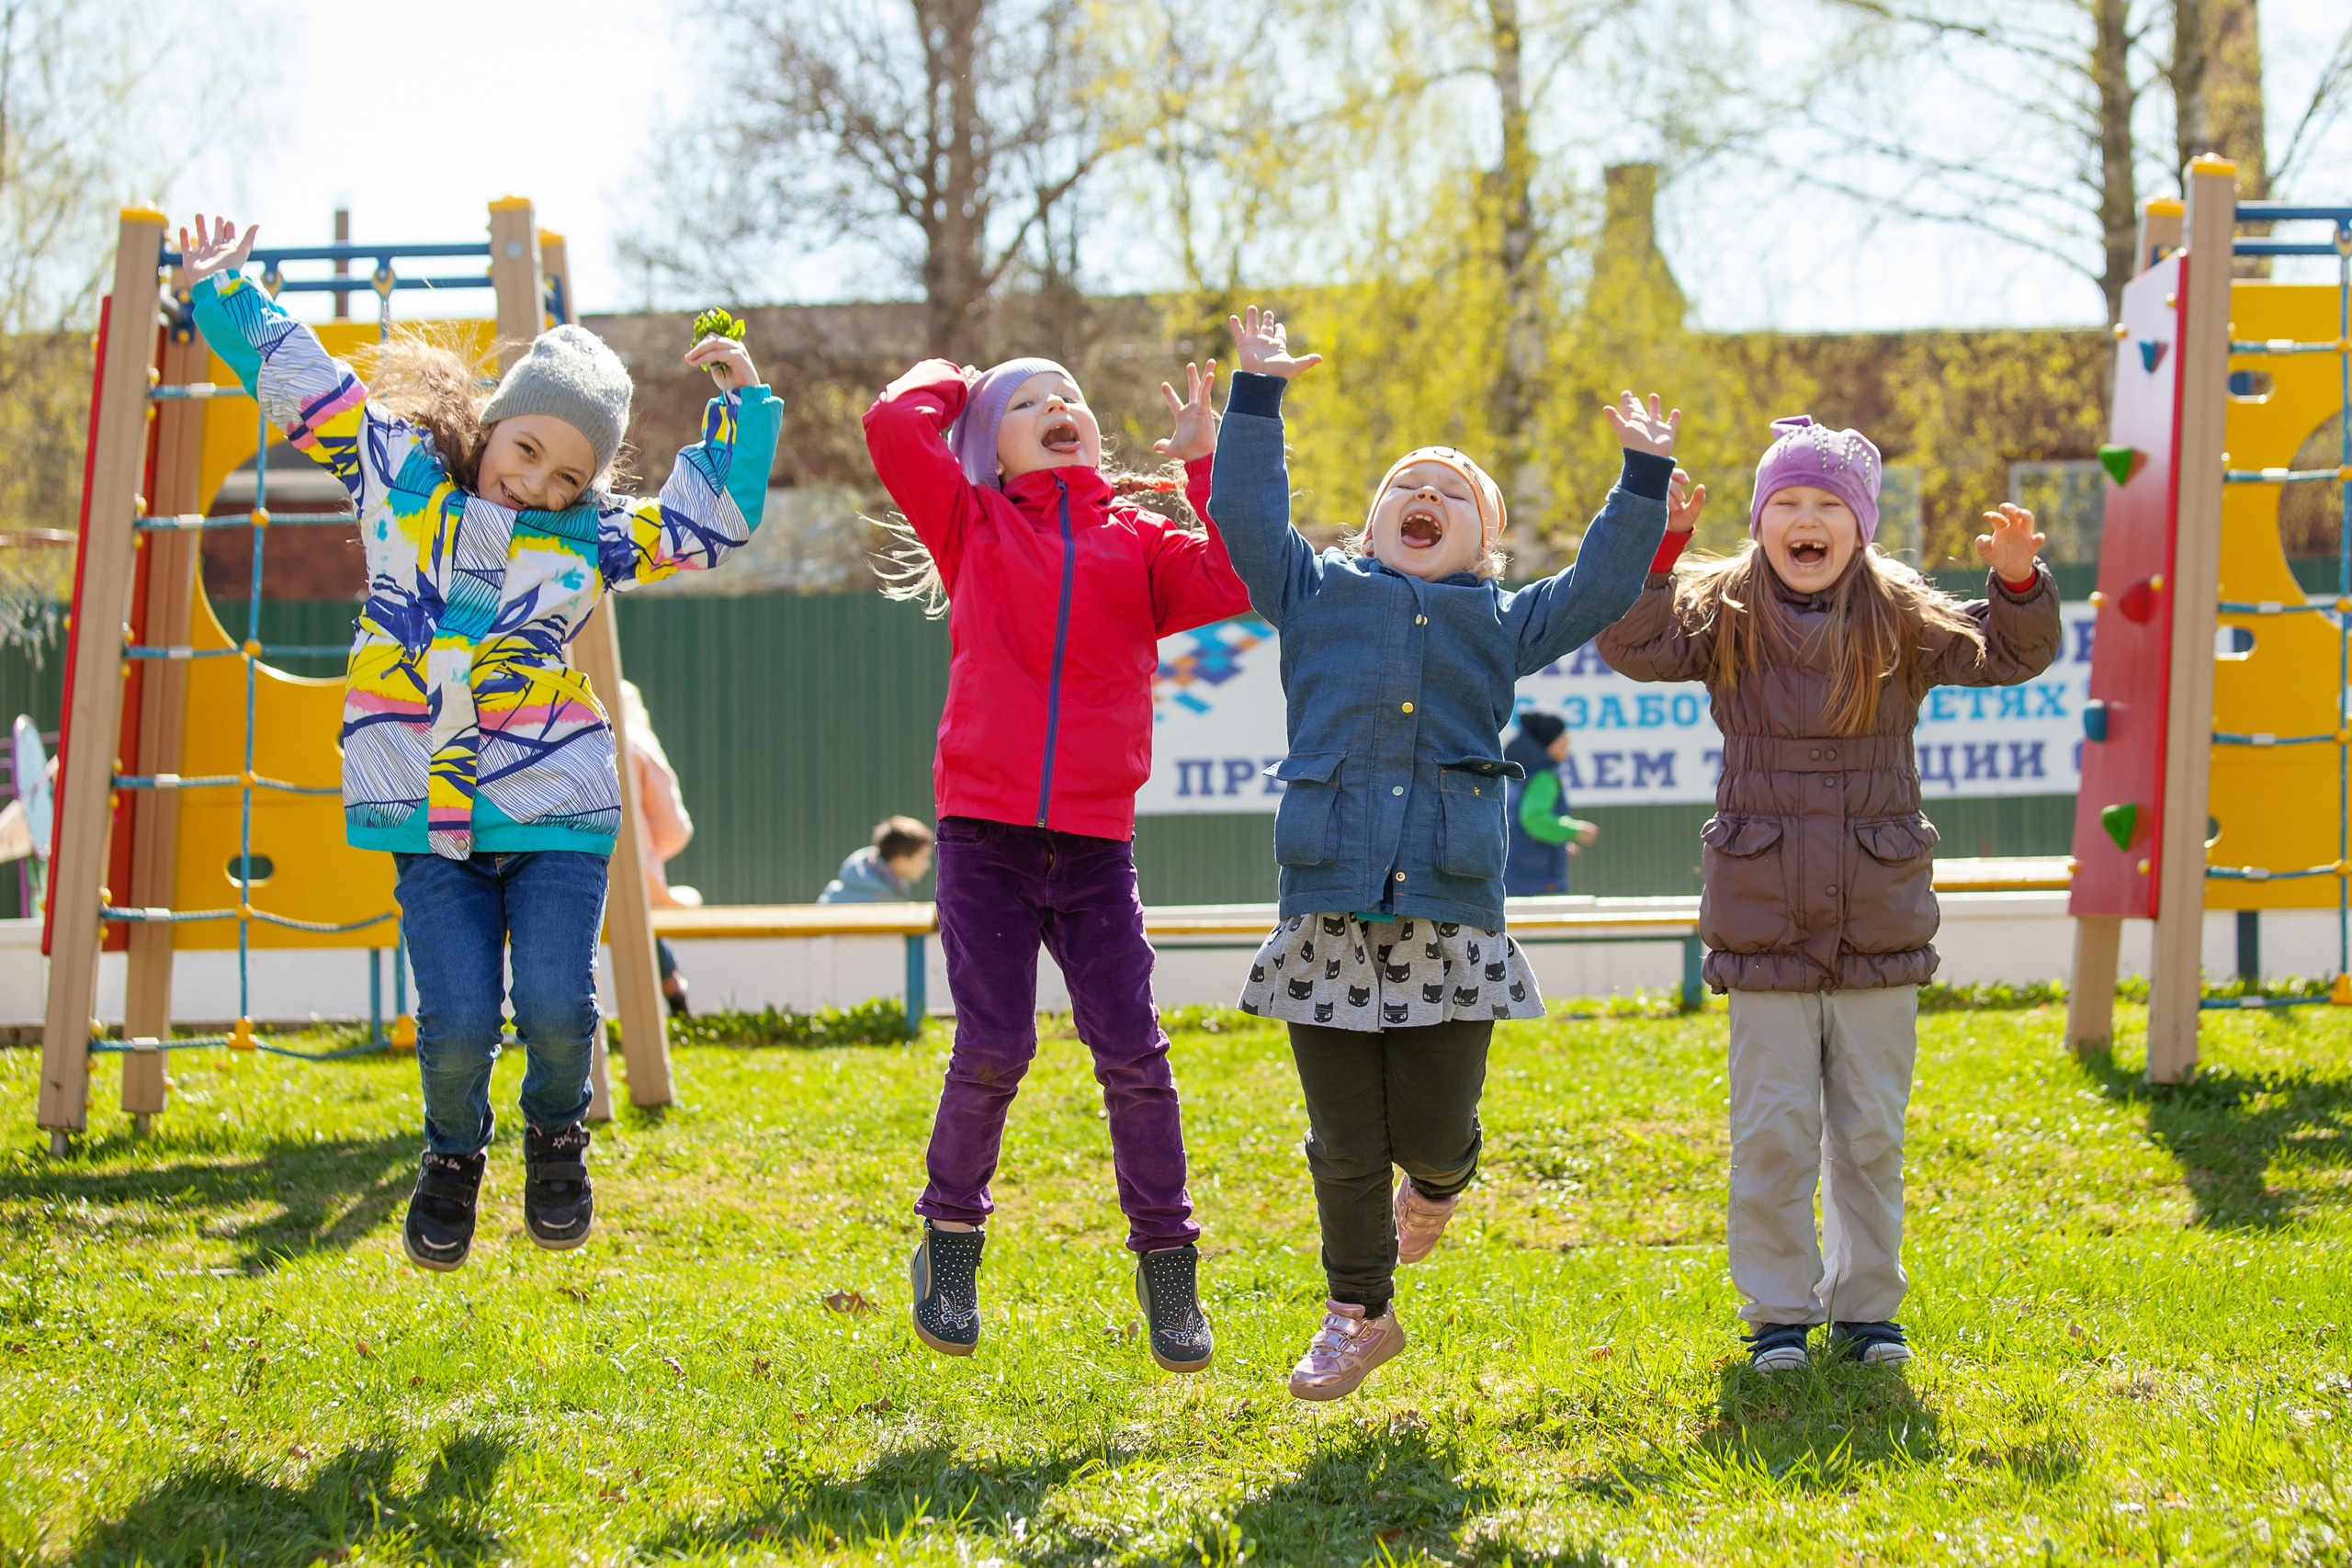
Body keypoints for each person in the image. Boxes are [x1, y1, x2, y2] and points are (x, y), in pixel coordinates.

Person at [179, 215, 779, 1273]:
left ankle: (556, 1132)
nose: (540, 483)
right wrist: (229, 296)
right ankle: (453, 1153)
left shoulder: (588, 537)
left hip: (551, 803)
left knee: (555, 1008)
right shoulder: (397, 476)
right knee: (456, 1019)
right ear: (493, 428)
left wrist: (740, 400)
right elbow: (307, 388)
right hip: (425, 808)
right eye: (529, 451)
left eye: (569, 474)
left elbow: (710, 522)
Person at [1208, 306, 1690, 1401]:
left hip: (1451, 914)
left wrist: (1641, 478)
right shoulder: (1313, 593)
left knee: (1426, 1128)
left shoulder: (1502, 623)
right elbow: (1242, 516)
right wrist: (1257, 398)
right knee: (1340, 1139)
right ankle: (1355, 1311)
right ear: (1369, 523)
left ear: (1489, 541)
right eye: (1403, 489)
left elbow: (1601, 589)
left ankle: (1441, 1179)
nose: (1424, 499)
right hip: (1328, 904)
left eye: (1454, 494)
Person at [1598, 415, 2058, 1371]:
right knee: (1771, 1131)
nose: (1805, 521)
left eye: (1826, 506)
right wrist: (1662, 549)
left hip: (1876, 911)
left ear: (1859, 525)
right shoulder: (1722, 611)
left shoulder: (1900, 615)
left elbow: (2009, 655)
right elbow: (1632, 644)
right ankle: (1776, 1315)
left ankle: (1866, 1314)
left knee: (1870, 1133)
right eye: (1787, 505)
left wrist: (2015, 584)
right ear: (1762, 521)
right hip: (1763, 910)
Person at [864, 350, 1251, 1372]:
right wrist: (961, 374)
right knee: (994, 1046)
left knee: (1133, 1052)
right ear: (989, 441)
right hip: (983, 836)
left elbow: (1236, 572)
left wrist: (1205, 463)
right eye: (1027, 403)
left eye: (1068, 397)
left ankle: (1170, 1273)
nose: (1058, 407)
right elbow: (892, 425)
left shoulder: (1142, 543)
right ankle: (949, 1246)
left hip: (1093, 842)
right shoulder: (972, 525)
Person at [620, 680, 700, 1017]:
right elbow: (673, 829)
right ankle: (675, 992)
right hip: (635, 879)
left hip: (561, 867)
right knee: (643, 911)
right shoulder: (636, 742)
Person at [1502, 712, 1598, 897]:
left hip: (1515, 875)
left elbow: (1517, 826)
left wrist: (1559, 849)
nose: (1568, 740)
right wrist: (1574, 830)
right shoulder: (1544, 777)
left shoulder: (1520, 775)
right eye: (1563, 737)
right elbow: (1534, 819)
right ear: (1549, 742)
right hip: (1536, 882)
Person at [818, 816, 935, 903]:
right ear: (899, 861)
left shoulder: (893, 891)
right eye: (922, 859)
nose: (927, 865)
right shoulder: (850, 898)